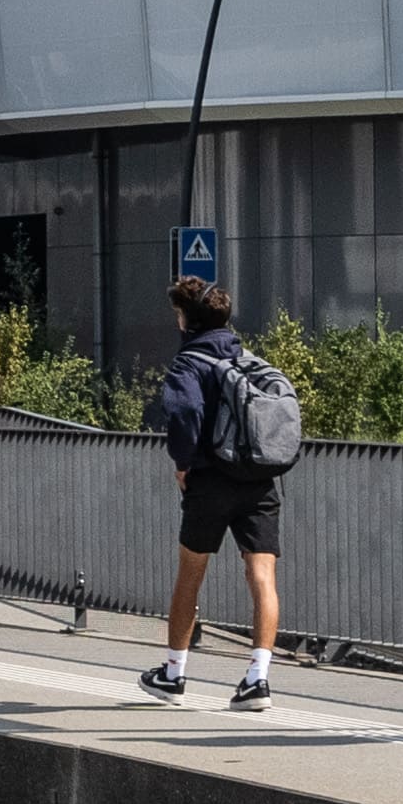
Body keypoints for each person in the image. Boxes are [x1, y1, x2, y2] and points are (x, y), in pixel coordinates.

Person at [140, 275, 284, 713]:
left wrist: (183, 462)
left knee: (191, 573)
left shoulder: (189, 362)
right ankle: (257, 680)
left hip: (211, 481)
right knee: (262, 577)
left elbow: (184, 411)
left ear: (188, 320)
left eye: (178, 314)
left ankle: (173, 674)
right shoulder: (246, 359)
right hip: (258, 479)